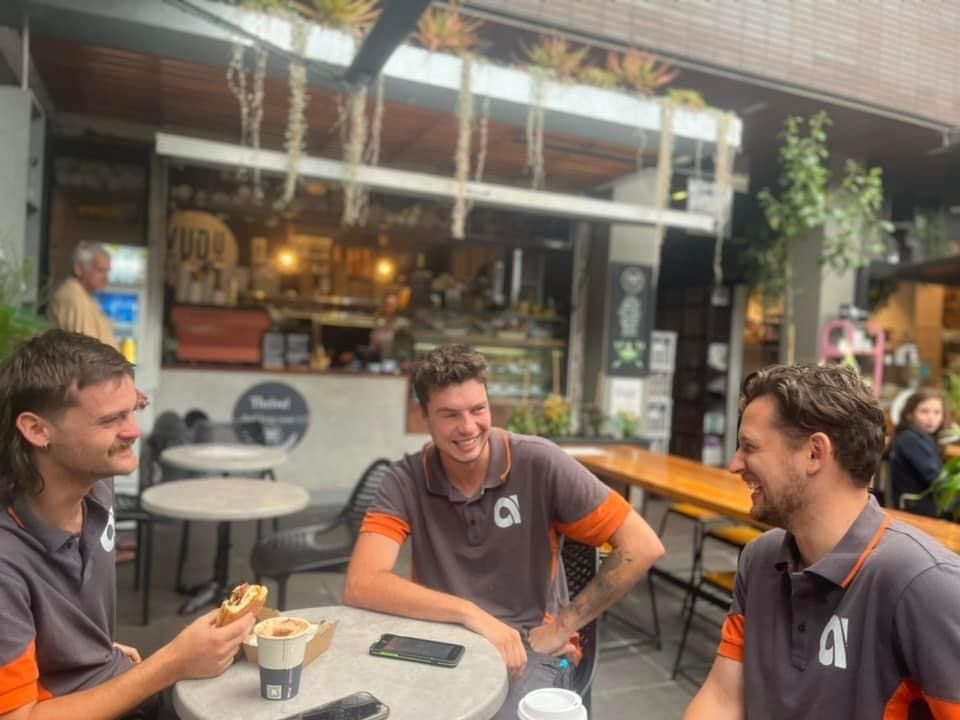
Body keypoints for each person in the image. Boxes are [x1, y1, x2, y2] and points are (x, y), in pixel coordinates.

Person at [343, 344, 665, 719]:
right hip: (442, 641)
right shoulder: (405, 479)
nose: (468, 427)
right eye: (449, 415)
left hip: (531, 646)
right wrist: (470, 614)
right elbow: (361, 583)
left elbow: (642, 546)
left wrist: (564, 626)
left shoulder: (538, 461)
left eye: (478, 409)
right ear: (423, 417)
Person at [0, 330, 254, 720]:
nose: (135, 431)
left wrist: (93, 653)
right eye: (111, 419)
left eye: (133, 410)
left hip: (109, 679)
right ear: (37, 430)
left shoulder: (94, 478)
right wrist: (170, 663)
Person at [684, 364, 960, 720]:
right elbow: (723, 698)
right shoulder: (761, 557)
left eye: (749, 447)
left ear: (815, 453)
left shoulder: (925, 583)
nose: (735, 464)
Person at [48, 241, 117, 348]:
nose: (106, 277)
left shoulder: (84, 296)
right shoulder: (73, 297)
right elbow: (84, 354)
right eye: (100, 270)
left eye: (107, 271)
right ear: (78, 269)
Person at [889, 388, 946, 516]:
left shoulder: (923, 437)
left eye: (937, 412)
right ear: (910, 414)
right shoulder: (910, 439)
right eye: (924, 412)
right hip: (915, 509)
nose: (931, 418)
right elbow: (937, 479)